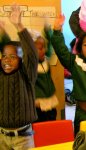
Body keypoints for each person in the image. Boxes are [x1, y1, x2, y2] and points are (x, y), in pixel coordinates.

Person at [0, 5, 38, 149]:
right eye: (4, 56)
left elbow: (32, 54)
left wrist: (18, 25)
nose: (7, 60)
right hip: (2, 137)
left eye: (13, 57)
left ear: (21, 60)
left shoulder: (26, 74)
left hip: (23, 138)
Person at [33, 24, 59, 122]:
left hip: (50, 102)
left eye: (43, 47)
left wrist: (48, 31)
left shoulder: (46, 61)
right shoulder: (29, 65)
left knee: (51, 124)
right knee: (39, 129)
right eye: (39, 48)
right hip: (37, 105)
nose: (43, 50)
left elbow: (51, 45)